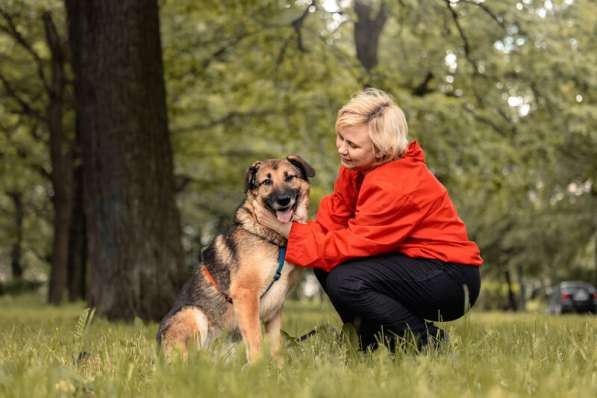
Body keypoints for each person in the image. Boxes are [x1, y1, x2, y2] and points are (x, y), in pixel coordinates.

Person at [255, 88, 482, 351]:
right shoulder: (356, 168)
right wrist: (295, 228)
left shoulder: (395, 183)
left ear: (380, 149)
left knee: (346, 280)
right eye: (340, 138)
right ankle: (370, 341)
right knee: (326, 263)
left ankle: (429, 343)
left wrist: (286, 230)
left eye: (352, 145)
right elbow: (332, 223)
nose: (342, 148)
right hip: (412, 262)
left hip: (449, 278)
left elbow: (353, 244)